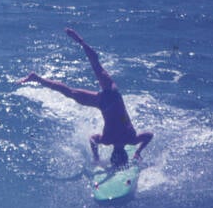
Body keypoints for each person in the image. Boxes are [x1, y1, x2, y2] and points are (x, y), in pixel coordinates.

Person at [19, 28, 153, 167]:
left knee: (95, 64)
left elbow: (149, 135)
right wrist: (97, 157)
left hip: (113, 95)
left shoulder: (131, 139)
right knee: (69, 92)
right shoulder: (107, 140)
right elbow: (92, 140)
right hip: (103, 103)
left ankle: (80, 41)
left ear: (125, 154)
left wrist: (138, 150)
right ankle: (37, 79)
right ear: (113, 154)